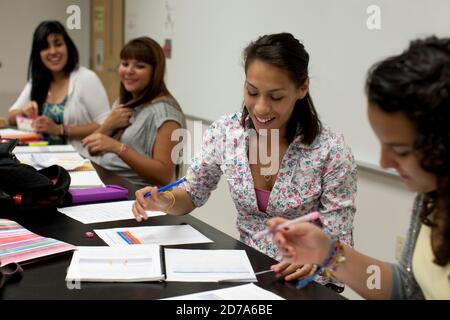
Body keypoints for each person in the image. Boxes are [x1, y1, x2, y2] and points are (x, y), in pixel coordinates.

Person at [132, 33, 357, 291]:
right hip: (248, 275)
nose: (260, 108)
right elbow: (191, 194)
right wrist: (165, 201)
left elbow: (341, 250)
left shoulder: (331, 152)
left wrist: (317, 260)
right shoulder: (226, 133)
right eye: (252, 92)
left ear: (302, 88)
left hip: (308, 287)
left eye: (276, 97)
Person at [269, 36, 450, 299]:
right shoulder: (432, 196)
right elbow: (407, 287)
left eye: (400, 150)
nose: (385, 162)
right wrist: (329, 253)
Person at [82, 37, 185, 188]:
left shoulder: (166, 112)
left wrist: (118, 148)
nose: (129, 71)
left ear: (155, 72)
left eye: (140, 66)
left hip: (138, 196)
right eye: (125, 64)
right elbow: (91, 148)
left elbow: (163, 175)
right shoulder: (124, 103)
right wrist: (108, 126)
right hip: (108, 182)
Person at [8, 20, 110, 152]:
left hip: (81, 161)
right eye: (45, 47)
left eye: (58, 44)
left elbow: (106, 125)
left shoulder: (86, 78)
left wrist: (60, 129)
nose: (53, 51)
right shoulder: (37, 81)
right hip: (42, 159)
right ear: (38, 54)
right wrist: (23, 111)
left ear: (67, 46)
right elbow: (10, 117)